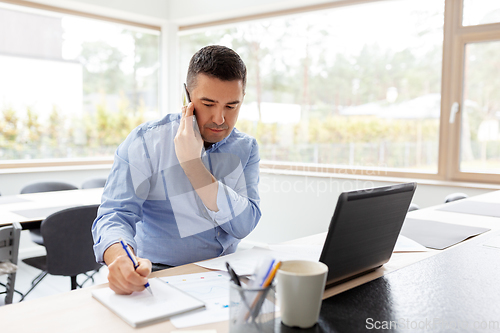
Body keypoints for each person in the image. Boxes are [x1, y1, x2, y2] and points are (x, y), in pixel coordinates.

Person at [92, 45, 261, 295]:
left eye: (231, 106)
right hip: (160, 274)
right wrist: (120, 258)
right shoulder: (145, 142)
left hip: (224, 272)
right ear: (186, 96)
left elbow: (243, 225)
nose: (219, 119)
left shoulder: (246, 148)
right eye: (208, 103)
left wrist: (194, 166)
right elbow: (115, 215)